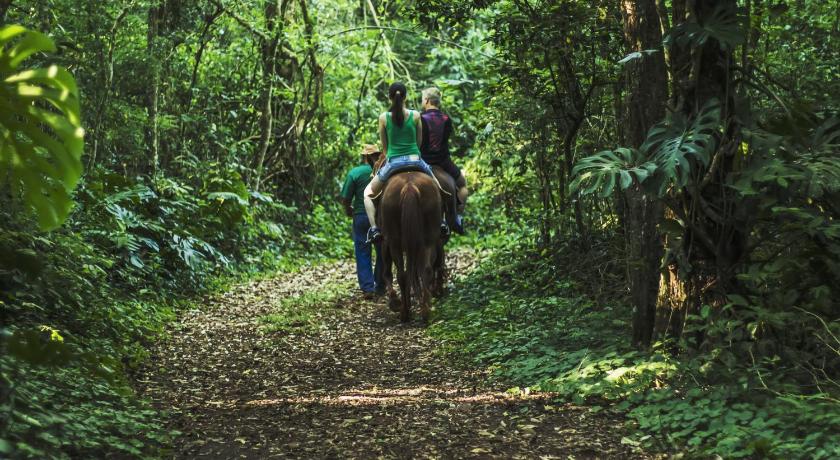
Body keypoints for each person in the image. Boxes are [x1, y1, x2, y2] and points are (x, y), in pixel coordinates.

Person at [363, 82, 440, 244]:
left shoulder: (383, 118)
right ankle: (443, 222)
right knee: (440, 189)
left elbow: (385, 147)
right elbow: (418, 143)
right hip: (416, 161)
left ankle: (375, 229)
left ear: (389, 97)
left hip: (393, 163)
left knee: (367, 194)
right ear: (405, 97)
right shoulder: (416, 116)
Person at [420, 87, 467, 234]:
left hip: (423, 161)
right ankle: (457, 217)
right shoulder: (447, 119)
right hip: (443, 161)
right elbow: (445, 140)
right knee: (463, 184)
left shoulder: (420, 118)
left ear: (427, 100)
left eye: (422, 99)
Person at [340, 144, 385, 297]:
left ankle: (368, 288)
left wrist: (348, 211)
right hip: (380, 217)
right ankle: (380, 285)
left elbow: (345, 198)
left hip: (360, 215)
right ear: (377, 156)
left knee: (362, 251)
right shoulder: (383, 172)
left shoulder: (355, 173)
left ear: (364, 156)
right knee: (382, 251)